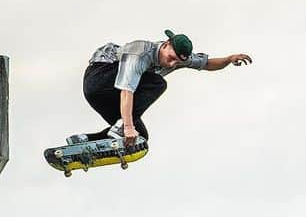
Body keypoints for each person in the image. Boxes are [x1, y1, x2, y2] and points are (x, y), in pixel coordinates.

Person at [82, 30, 252, 147]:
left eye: (177, 62)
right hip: (99, 79)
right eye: (171, 58)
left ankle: (85, 142)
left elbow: (207, 63)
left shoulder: (176, 58)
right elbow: (127, 89)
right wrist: (126, 126)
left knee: (140, 138)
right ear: (165, 45)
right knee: (157, 83)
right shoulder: (140, 53)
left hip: (110, 98)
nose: (172, 64)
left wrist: (229, 59)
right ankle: (121, 126)